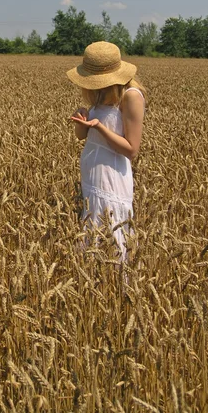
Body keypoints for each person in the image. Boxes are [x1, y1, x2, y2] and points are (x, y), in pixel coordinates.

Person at [67, 41, 146, 261]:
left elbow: (131, 149)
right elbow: (82, 137)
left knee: (113, 235)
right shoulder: (100, 95)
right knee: (92, 238)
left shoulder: (130, 96)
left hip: (112, 178)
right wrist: (82, 121)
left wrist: (99, 127)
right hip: (92, 177)